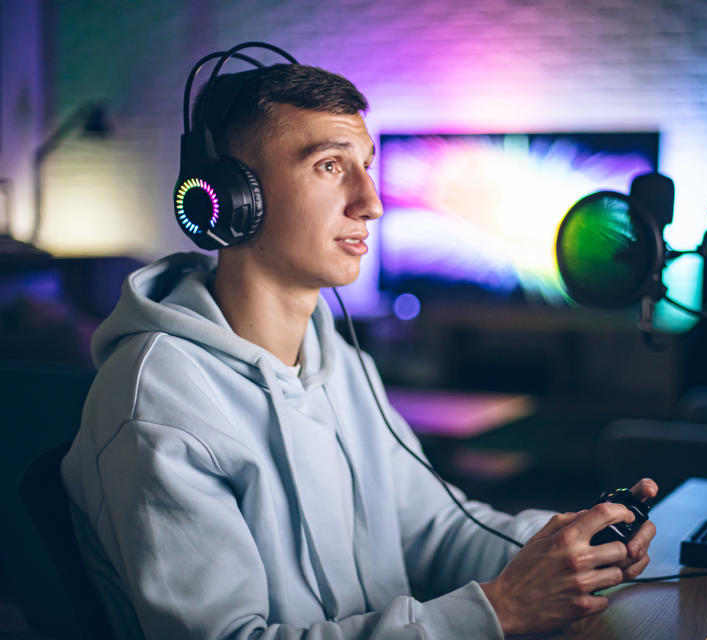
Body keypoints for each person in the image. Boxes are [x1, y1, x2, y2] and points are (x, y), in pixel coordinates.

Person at [61, 59, 658, 639]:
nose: (371, 201)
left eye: (366, 166)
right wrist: (496, 612)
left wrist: (572, 549)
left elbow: (439, 530)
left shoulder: (341, 364)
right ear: (233, 198)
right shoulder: (159, 404)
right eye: (328, 166)